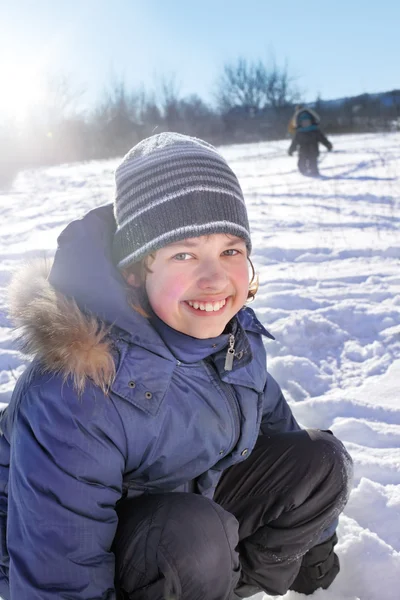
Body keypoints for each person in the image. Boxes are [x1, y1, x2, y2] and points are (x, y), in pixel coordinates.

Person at [0, 133, 352, 600]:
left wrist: (315, 553)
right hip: (74, 558)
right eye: (184, 254)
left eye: (230, 251)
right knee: (189, 537)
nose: (214, 279)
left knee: (321, 459)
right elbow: (57, 574)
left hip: (186, 531)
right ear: (134, 270)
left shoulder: (232, 340)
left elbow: (280, 435)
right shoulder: (78, 388)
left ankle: (223, 584)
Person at [288, 107, 333, 176]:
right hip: (303, 151)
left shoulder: (315, 131)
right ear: (300, 123)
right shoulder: (299, 132)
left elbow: (322, 139)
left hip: (313, 151)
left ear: (311, 121)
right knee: (301, 163)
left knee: (313, 163)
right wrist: (291, 150)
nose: (305, 123)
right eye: (303, 122)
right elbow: (294, 142)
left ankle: (314, 172)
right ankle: (304, 173)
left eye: (307, 121)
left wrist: (328, 145)